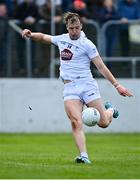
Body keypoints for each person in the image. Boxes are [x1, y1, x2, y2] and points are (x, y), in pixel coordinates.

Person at [22, 12, 133, 164]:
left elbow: (100, 66)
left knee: (103, 123)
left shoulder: (87, 44)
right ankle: (84, 156)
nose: (74, 31)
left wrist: (117, 85)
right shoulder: (62, 39)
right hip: (70, 88)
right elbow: (43, 37)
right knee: (76, 121)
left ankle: (111, 110)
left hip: (87, 85)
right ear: (67, 28)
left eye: (76, 28)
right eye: (71, 28)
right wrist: (31, 34)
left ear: (81, 26)